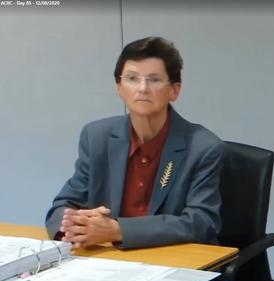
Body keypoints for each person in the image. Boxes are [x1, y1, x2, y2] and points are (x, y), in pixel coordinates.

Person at [46, 36, 224, 250]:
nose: (142, 88)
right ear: (119, 87)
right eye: (132, 78)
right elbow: (64, 204)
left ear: (174, 90)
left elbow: (201, 222)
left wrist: (117, 230)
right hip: (110, 261)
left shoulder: (203, 147)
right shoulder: (97, 137)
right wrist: (72, 228)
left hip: (175, 262)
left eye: (154, 79)